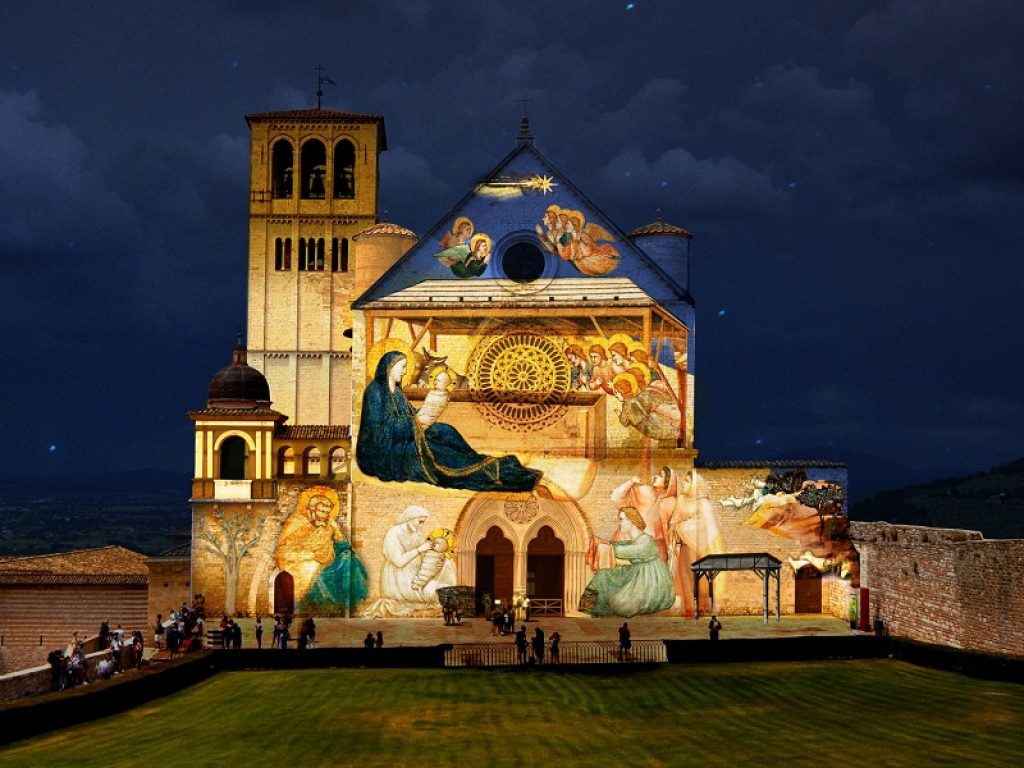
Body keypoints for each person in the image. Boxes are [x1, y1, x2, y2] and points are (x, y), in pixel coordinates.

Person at [355, 350, 541, 492]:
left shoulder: (397, 391)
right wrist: (415, 422)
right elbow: (379, 433)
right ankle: (495, 472)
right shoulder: (375, 393)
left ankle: (479, 461)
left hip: (406, 436)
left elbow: (409, 413)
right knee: (439, 453)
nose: (405, 372)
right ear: (390, 367)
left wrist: (424, 414)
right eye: (402, 367)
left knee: (446, 431)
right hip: (386, 454)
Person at [582, 507, 676, 617]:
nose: (619, 523)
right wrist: (602, 542)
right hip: (635, 573)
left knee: (620, 605)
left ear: (631, 521)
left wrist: (606, 547)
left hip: (649, 582)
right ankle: (588, 607)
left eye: (621, 519)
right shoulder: (637, 540)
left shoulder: (646, 541)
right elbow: (623, 545)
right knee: (602, 574)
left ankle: (599, 609)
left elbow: (628, 550)